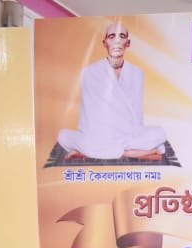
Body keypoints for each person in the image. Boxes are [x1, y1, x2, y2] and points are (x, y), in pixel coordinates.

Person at [57, 21, 168, 161]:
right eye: (111, 36)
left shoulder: (137, 73)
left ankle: (87, 152)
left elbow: (136, 113)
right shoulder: (90, 72)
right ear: (105, 43)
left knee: (159, 133)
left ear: (128, 43)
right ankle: (136, 152)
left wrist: (129, 134)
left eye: (122, 36)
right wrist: (104, 135)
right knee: (63, 135)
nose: (117, 41)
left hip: (128, 134)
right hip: (100, 134)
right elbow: (89, 115)